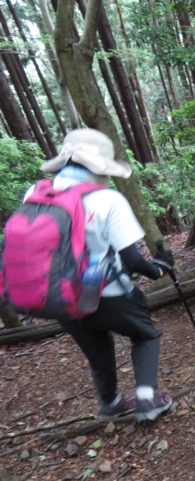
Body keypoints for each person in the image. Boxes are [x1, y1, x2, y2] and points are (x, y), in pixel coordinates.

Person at [34, 129, 174, 422]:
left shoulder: (36, 195)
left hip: (57, 295)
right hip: (107, 293)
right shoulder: (107, 199)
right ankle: (148, 400)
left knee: (97, 348)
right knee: (145, 335)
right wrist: (159, 268)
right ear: (98, 169)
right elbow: (132, 260)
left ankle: (111, 402)